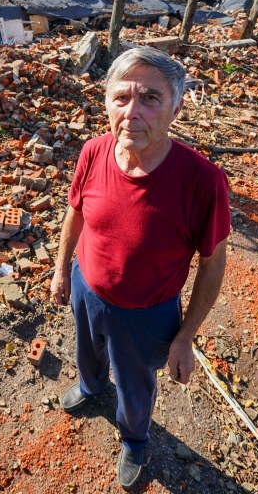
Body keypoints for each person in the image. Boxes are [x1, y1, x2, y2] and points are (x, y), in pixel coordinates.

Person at [50, 47, 231, 490]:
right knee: (87, 351)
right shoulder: (93, 151)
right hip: (86, 286)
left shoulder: (203, 182)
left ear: (176, 107)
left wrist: (186, 336)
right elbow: (75, 211)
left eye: (150, 97)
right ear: (106, 102)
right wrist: (61, 269)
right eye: (121, 97)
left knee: (135, 384)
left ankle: (134, 438)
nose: (132, 112)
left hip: (147, 311)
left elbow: (212, 264)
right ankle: (92, 388)